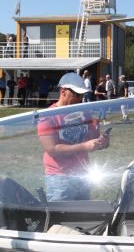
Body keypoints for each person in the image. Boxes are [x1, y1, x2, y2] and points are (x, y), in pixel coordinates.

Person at [37, 72, 110, 201]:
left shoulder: (84, 112)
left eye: (82, 95)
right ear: (63, 91)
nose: (80, 98)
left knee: (83, 214)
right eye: (76, 94)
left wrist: (102, 142)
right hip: (60, 177)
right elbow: (52, 149)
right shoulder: (47, 116)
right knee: (61, 214)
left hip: (83, 175)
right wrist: (84, 147)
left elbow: (91, 138)